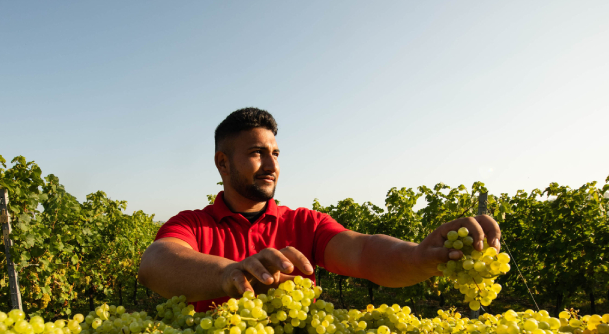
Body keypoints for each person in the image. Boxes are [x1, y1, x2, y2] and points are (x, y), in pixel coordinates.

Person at [138, 108, 502, 312]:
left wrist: (421, 256)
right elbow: (155, 264)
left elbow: (363, 251)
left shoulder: (304, 223)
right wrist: (230, 274)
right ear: (222, 162)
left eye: (275, 154)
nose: (270, 165)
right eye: (255, 153)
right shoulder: (194, 225)